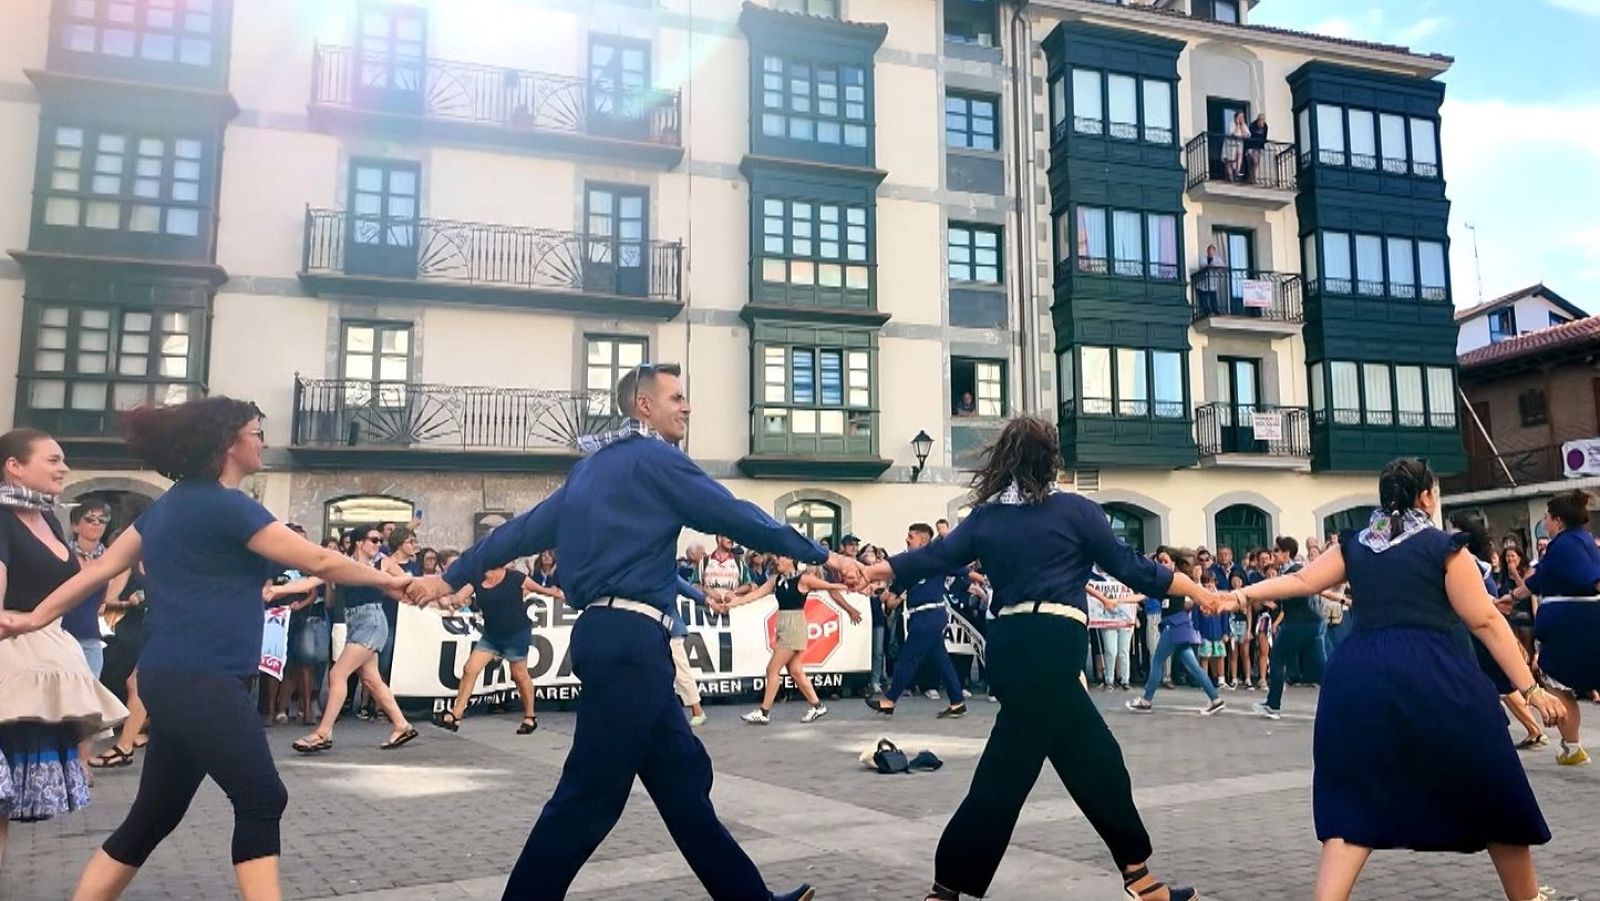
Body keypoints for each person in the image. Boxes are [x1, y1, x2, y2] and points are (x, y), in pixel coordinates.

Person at [404, 362, 854, 901]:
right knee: (589, 797)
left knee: (683, 787)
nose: (686, 407)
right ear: (644, 405)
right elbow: (735, 515)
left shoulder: (589, 471)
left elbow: (518, 533)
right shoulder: (656, 459)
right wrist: (822, 554)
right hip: (631, 644)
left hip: (609, 638)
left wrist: (448, 576)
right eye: (677, 398)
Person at [0, 401, 411, 900]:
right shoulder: (227, 505)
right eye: (257, 432)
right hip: (205, 678)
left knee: (153, 816)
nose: (262, 440)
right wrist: (400, 584)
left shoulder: (166, 508)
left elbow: (97, 570)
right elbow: (321, 559)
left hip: (172, 677)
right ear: (228, 443)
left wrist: (34, 616)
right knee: (262, 797)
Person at [859, 416, 1203, 901]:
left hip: (1011, 644)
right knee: (1014, 770)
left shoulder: (986, 518)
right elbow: (1134, 570)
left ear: (1005, 461)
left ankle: (1139, 877)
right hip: (1052, 644)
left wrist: (875, 569)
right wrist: (1201, 592)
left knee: (1092, 756)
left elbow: (932, 557)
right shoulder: (1077, 511)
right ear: (1051, 460)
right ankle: (948, 889)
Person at [1214, 458, 1569, 901]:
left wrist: (1239, 595)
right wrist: (1531, 689)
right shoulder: (1444, 547)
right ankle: (1527, 896)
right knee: (1493, 781)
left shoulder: (1356, 544)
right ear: (1426, 497)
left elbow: (1302, 580)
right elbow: (1484, 622)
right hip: (1433, 673)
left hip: (1357, 677)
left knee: (1353, 794)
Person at [0, 429, 127, 870]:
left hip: (40, 662)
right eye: (53, 460)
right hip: (10, 669)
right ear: (14, 465)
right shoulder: (1, 517)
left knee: (3, 807)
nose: (64, 468)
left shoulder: (48, 518)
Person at [290, 522, 419, 754]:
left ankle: (323, 733)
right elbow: (312, 581)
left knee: (338, 673)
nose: (378, 544)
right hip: (355, 622)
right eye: (374, 540)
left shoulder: (383, 563)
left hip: (371, 621)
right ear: (359, 542)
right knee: (372, 680)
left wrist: (434, 596)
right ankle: (402, 725)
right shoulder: (344, 564)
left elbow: (407, 583)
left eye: (380, 540)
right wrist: (277, 591)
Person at [1495, 489, 1600, 767]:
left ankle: (1572, 747)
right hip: (1582, 621)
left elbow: (1587, 578)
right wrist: (1514, 597)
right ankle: (1571, 747)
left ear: (1558, 521)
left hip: (1570, 628)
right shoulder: (1583, 541)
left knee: (1560, 685)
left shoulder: (1565, 545)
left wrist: (1513, 596)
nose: (1545, 522)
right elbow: (1540, 579)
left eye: (1547, 518)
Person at [1452, 512, 1548, 751]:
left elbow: (1487, 606)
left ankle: (1533, 728)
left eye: (1452, 529)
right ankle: (1529, 728)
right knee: (1500, 685)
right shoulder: (1471, 562)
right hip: (1479, 633)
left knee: (1502, 684)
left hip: (1482, 634)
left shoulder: (1470, 564)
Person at [725, 557, 857, 725]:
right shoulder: (776, 580)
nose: (776, 561)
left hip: (794, 627)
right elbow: (755, 594)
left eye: (779, 558)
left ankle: (764, 711)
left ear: (790, 560)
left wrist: (850, 587)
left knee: (772, 668)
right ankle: (818, 706)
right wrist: (733, 604)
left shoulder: (803, 579)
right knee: (795, 671)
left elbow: (828, 586)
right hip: (783, 625)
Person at [866, 523, 967, 719]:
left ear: (921, 540)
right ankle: (957, 702)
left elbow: (961, 569)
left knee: (908, 658)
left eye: (911, 537)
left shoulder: (937, 559)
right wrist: (886, 596)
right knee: (941, 659)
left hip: (930, 613)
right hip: (918, 615)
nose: (906, 539)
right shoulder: (908, 565)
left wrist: (979, 577)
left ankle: (890, 700)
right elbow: (892, 600)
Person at [431, 564, 540, 735]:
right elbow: (459, 597)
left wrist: (557, 593)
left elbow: (541, 589)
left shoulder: (515, 577)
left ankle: (530, 716)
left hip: (516, 632)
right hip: (492, 635)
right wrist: (449, 600)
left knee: (519, 675)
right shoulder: (477, 578)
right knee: (470, 669)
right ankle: (456, 714)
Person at [1125, 551, 1225, 715]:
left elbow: (1195, 594)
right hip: (1178, 625)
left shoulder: (1178, 579)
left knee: (1157, 661)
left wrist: (1200, 587)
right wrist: (1117, 600)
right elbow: (1143, 596)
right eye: (1159, 561)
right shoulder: (1165, 581)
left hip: (1175, 624)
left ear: (1173, 563)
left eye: (1165, 561)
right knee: (1193, 665)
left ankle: (1146, 700)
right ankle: (1215, 699)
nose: (1161, 564)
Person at [1252, 536, 1326, 719]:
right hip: (1308, 623)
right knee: (1318, 669)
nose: (1273, 554)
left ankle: (1273, 705)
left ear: (1286, 554)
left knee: (1277, 658)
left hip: (1299, 623)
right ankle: (1347, 700)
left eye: (1277, 551)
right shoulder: (1289, 572)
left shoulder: (1295, 571)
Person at [1224, 110, 1247, 181]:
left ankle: (1237, 173)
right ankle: (1231, 177)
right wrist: (1237, 125)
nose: (1241, 119)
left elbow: (1247, 135)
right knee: (1230, 161)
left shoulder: (1244, 125)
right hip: (1231, 145)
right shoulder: (1232, 124)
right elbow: (1233, 133)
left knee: (1239, 157)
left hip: (1239, 144)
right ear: (1236, 117)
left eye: (1242, 117)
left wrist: (1242, 126)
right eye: (1240, 117)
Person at [1245, 112, 1269, 182]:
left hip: (1259, 147)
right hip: (1251, 146)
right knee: (1251, 162)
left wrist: (1263, 143)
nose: (1262, 121)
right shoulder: (1253, 125)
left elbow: (1265, 136)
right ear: (1258, 119)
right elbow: (1250, 135)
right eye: (1261, 119)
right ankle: (1251, 177)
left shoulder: (1265, 126)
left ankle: (1252, 177)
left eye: (1263, 119)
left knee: (1256, 163)